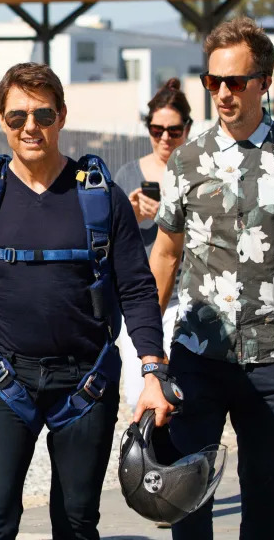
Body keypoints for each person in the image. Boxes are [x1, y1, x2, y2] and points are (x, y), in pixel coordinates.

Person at [0, 62, 173, 539]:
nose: (30, 127)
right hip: (1, 379)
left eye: (43, 115)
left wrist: (153, 371)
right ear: (1, 120)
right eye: (17, 117)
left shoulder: (102, 199)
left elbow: (137, 289)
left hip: (86, 384)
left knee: (77, 525)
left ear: (62, 116)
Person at [148, 16, 274, 539]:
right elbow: (165, 253)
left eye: (235, 82)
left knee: (263, 487)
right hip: (198, 354)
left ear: (264, 82)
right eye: (213, 82)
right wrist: (146, 350)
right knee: (188, 487)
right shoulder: (185, 160)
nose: (222, 93)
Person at [114, 79, 192, 410]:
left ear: (187, 129)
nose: (164, 138)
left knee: (179, 392)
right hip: (136, 297)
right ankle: (147, 459)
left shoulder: (196, 171)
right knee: (137, 394)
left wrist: (168, 219)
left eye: (173, 131)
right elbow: (105, 238)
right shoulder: (128, 173)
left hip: (184, 297)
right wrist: (128, 214)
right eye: (156, 129)